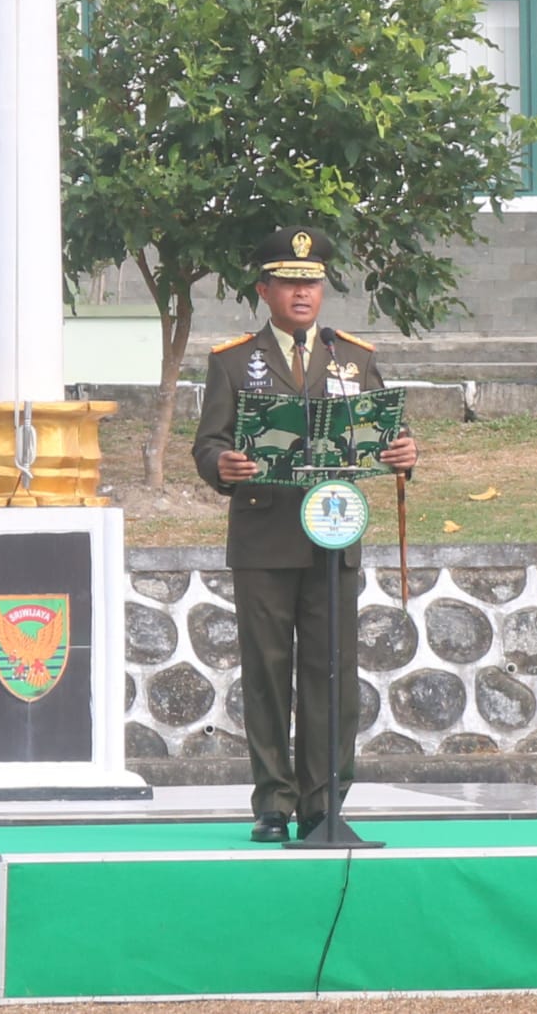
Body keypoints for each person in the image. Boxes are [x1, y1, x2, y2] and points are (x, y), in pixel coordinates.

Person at [193, 225, 417, 843]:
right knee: (267, 675)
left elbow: (384, 435)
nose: (301, 293)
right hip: (264, 538)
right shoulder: (234, 361)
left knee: (332, 676)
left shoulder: (355, 358)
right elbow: (208, 444)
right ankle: (272, 802)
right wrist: (224, 466)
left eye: (311, 282)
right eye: (288, 282)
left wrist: (404, 453)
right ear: (264, 290)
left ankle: (324, 804)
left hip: (333, 538)